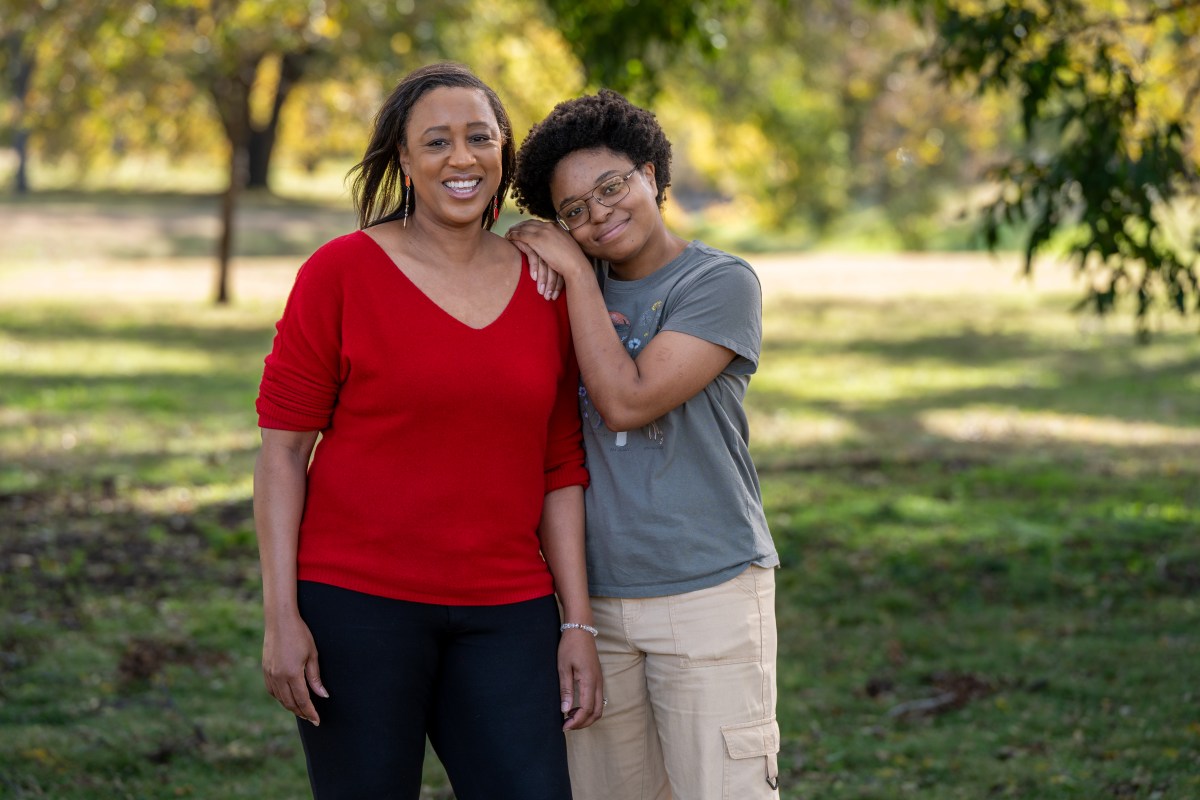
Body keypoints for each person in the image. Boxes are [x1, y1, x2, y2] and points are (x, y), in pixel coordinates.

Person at [252, 62, 602, 800]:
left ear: (503, 152)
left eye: (479, 137)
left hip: (507, 612)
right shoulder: (340, 273)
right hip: (356, 607)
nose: (461, 158)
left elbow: (560, 463)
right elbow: (283, 453)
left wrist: (578, 624)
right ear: (405, 162)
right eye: (436, 141)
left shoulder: (545, 283)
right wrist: (281, 617)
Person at [505, 89, 781, 800]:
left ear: (651, 174)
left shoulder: (719, 283)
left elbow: (626, 401)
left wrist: (570, 271)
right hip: (593, 604)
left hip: (707, 588)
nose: (599, 214)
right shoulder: (560, 287)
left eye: (611, 186)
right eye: (574, 210)